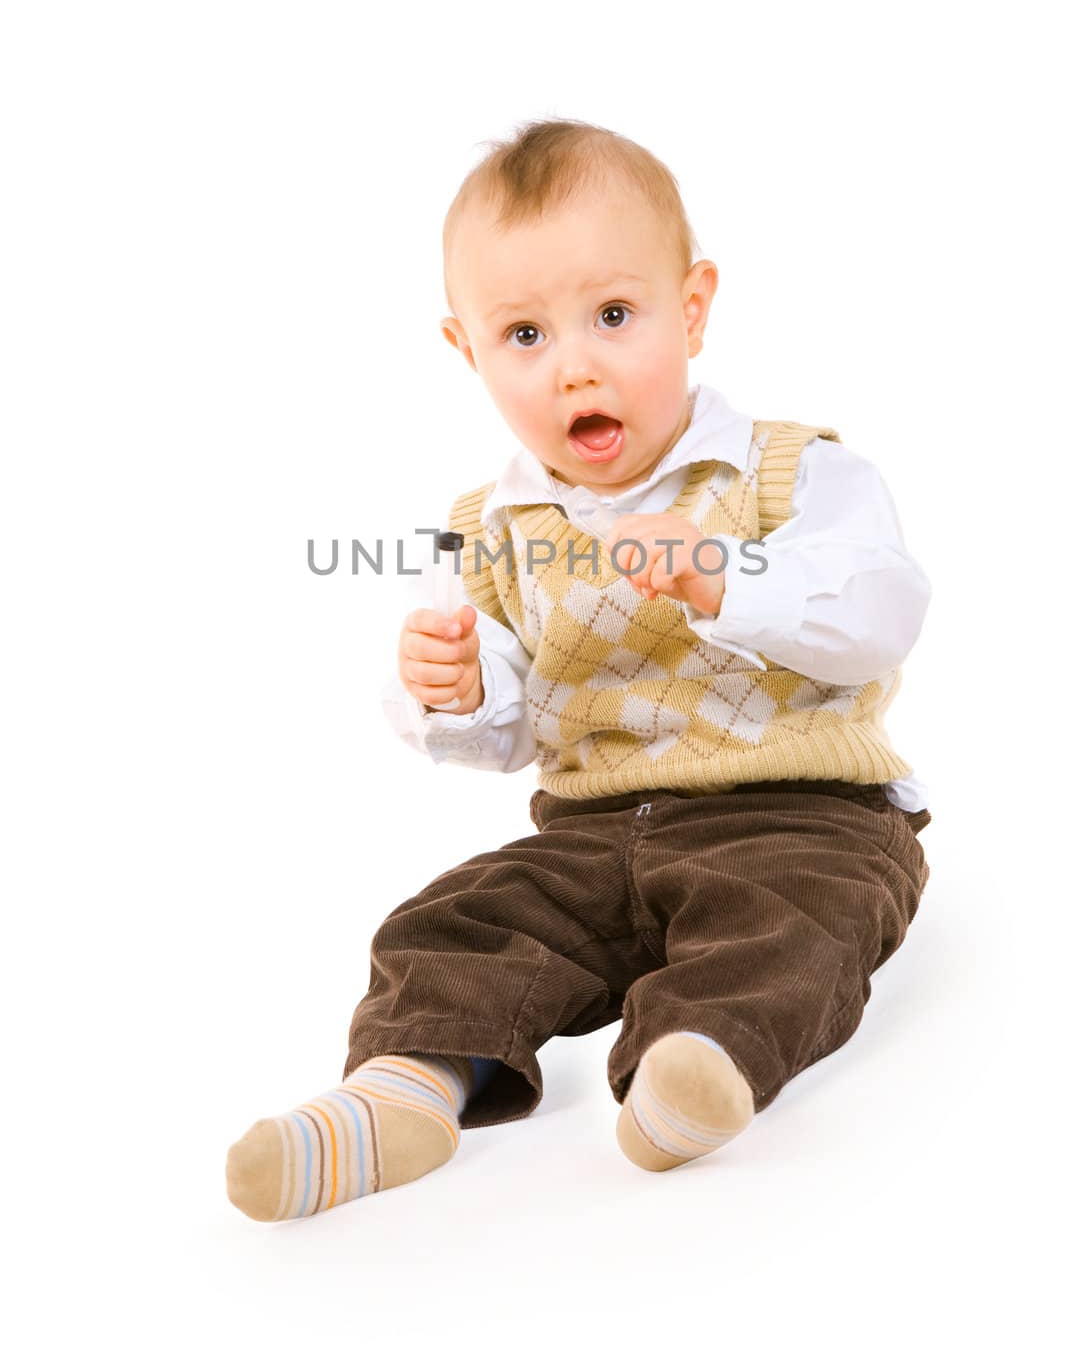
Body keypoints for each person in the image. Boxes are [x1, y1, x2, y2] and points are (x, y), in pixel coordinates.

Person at [226, 119, 932, 1221]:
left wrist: (722, 577)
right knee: (455, 921)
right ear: (465, 350)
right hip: (594, 828)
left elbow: (882, 609)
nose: (574, 364)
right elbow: (507, 718)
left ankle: (695, 1066)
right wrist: (448, 689)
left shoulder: (789, 472)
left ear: (689, 306)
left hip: (800, 812)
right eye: (522, 334)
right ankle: (405, 1091)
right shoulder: (488, 529)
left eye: (613, 315)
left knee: (787, 925)